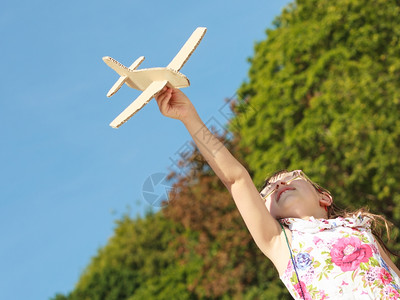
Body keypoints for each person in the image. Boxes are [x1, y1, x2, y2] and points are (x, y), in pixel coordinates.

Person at [155, 87, 400, 299]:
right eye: (269, 190)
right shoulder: (281, 243)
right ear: (267, 213)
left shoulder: (357, 228)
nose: (280, 185)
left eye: (291, 177)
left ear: (323, 197)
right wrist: (189, 117)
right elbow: (236, 179)